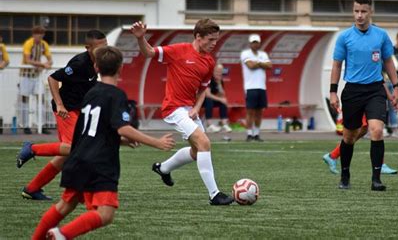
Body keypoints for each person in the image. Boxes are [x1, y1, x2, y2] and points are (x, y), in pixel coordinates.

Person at [31, 46, 175, 240]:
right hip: (98, 163)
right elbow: (123, 128)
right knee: (105, 214)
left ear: (96, 67)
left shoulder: (91, 93)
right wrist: (156, 142)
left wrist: (122, 142)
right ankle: (61, 235)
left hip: (78, 158)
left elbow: (93, 130)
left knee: (65, 205)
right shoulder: (116, 95)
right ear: (120, 68)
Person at [131, 19, 234, 205]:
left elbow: (203, 89)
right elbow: (149, 53)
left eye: (216, 40)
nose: (214, 43)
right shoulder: (178, 50)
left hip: (189, 109)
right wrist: (141, 38)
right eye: (210, 39)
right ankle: (214, 194)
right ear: (198, 36)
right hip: (174, 108)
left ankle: (163, 168)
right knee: (204, 142)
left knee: (197, 152)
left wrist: (196, 107)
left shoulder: (209, 62)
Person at [16, 30, 107, 201]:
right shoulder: (79, 63)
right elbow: (52, 78)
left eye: (106, 45)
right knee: (74, 148)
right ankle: (32, 148)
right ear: (88, 48)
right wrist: (59, 105)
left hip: (79, 110)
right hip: (67, 109)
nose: (104, 49)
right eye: (99, 47)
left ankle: (32, 188)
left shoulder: (98, 62)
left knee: (66, 156)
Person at [330, 0, 398, 191]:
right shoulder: (344, 37)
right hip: (352, 91)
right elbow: (336, 65)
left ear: (371, 12)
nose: (359, 15)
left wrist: (396, 87)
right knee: (349, 136)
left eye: (363, 11)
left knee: (376, 130)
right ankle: (345, 175)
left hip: (375, 89)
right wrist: (333, 92)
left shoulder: (381, 35)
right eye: (356, 11)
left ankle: (376, 179)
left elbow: (388, 62)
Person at [323, 114, 398, 175]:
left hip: (371, 98)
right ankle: (380, 165)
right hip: (362, 98)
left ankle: (333, 155)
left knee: (366, 129)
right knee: (362, 129)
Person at [19, 26, 53, 134]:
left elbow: (50, 59)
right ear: (33, 34)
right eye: (37, 33)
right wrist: (42, 64)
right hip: (26, 75)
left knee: (41, 98)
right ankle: (25, 125)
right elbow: (28, 60)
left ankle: (41, 125)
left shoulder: (44, 44)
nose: (39, 36)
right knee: (25, 99)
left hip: (37, 76)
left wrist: (47, 64)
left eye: (42, 34)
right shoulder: (28, 43)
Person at [240, 34, 272, 142]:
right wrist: (261, 63)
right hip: (250, 87)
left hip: (262, 87)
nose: (255, 44)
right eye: (253, 42)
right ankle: (249, 134)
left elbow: (269, 66)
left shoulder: (263, 54)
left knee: (259, 111)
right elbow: (250, 66)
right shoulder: (245, 53)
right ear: (250, 44)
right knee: (250, 111)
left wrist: (257, 62)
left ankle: (256, 133)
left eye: (257, 42)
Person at [204, 64, 232, 134]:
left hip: (210, 99)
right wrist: (220, 99)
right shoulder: (209, 78)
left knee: (223, 102)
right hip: (201, 100)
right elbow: (207, 94)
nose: (219, 73)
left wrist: (219, 84)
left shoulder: (220, 80)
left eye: (220, 71)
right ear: (214, 70)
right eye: (217, 71)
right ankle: (209, 125)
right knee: (209, 100)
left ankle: (224, 124)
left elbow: (222, 95)